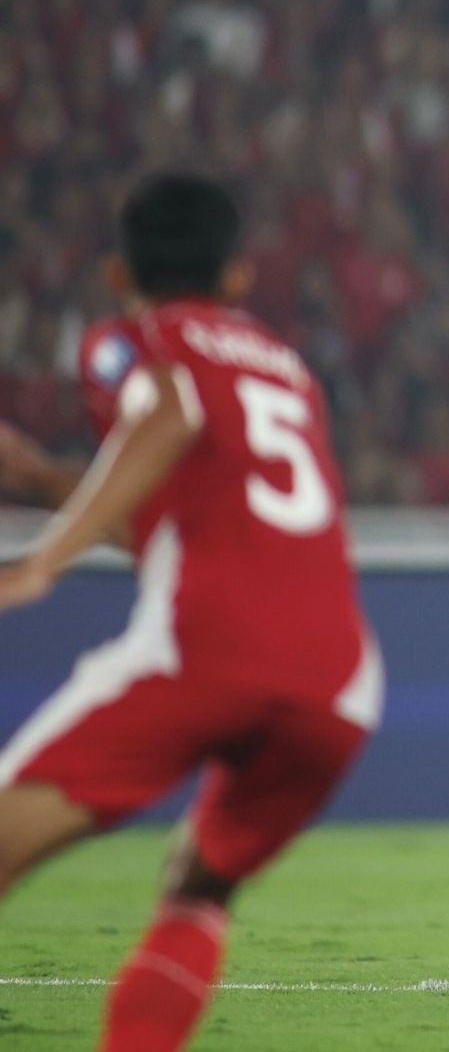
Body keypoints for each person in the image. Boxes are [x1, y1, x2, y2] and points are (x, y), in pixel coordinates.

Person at [0, 172, 381, 1048]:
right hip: (340, 682)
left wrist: (42, 559)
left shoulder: (145, 340)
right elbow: (191, 517)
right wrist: (47, 483)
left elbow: (166, 410)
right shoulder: (289, 370)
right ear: (239, 276)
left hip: (209, 652)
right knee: (198, 886)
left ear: (115, 275)